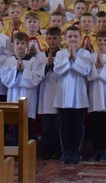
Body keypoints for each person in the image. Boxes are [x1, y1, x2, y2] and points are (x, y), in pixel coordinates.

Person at [54, 26, 93, 164]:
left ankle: (77, 152)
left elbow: (86, 71)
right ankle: (65, 151)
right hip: (63, 95)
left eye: (75, 36)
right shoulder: (60, 54)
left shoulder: (85, 54)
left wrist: (75, 58)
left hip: (79, 96)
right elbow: (57, 70)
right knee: (64, 126)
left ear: (80, 38)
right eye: (70, 36)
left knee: (78, 126)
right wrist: (68, 59)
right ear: (65, 38)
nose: (72, 39)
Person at [1, 31, 44, 144]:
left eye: (23, 43)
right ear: (13, 45)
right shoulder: (9, 61)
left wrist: (24, 71)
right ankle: (16, 149)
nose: (20, 46)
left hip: (29, 97)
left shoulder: (33, 61)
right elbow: (5, 79)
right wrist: (16, 70)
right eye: (17, 43)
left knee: (28, 125)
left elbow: (37, 78)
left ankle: (27, 151)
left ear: (27, 45)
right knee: (16, 124)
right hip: (14, 96)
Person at [88, 30, 106, 162]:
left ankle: (105, 150)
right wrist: (95, 65)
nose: (102, 42)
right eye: (99, 40)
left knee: (105, 124)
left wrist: (104, 66)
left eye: (105, 40)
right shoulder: (90, 57)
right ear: (96, 41)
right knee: (95, 125)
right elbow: (88, 76)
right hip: (94, 93)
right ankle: (96, 150)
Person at [37, 26, 63, 160]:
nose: (52, 41)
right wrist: (47, 66)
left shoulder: (64, 54)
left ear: (60, 39)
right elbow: (36, 74)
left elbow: (65, 72)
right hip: (45, 94)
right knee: (46, 126)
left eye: (55, 38)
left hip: (59, 93)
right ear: (46, 39)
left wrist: (55, 66)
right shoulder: (40, 56)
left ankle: (58, 151)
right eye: (50, 38)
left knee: (59, 125)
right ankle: (46, 151)